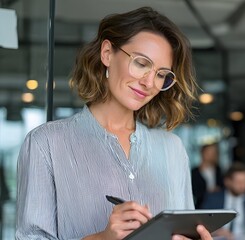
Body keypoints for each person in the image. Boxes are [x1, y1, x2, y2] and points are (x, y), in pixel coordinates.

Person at [16, 7, 212, 240]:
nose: (149, 82)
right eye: (141, 63)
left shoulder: (173, 149)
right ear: (107, 53)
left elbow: (183, 232)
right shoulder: (46, 144)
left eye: (161, 74)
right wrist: (102, 238)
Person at [201, 162, 245, 238]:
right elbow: (202, 223)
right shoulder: (213, 199)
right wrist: (216, 231)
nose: (243, 185)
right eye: (239, 182)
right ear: (227, 182)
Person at [191, 143, 224, 208]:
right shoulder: (195, 171)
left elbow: (222, 186)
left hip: (218, 204)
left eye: (213, 153)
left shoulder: (218, 169)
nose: (211, 155)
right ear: (202, 153)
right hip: (201, 206)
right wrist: (208, 191)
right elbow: (194, 191)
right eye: (208, 152)